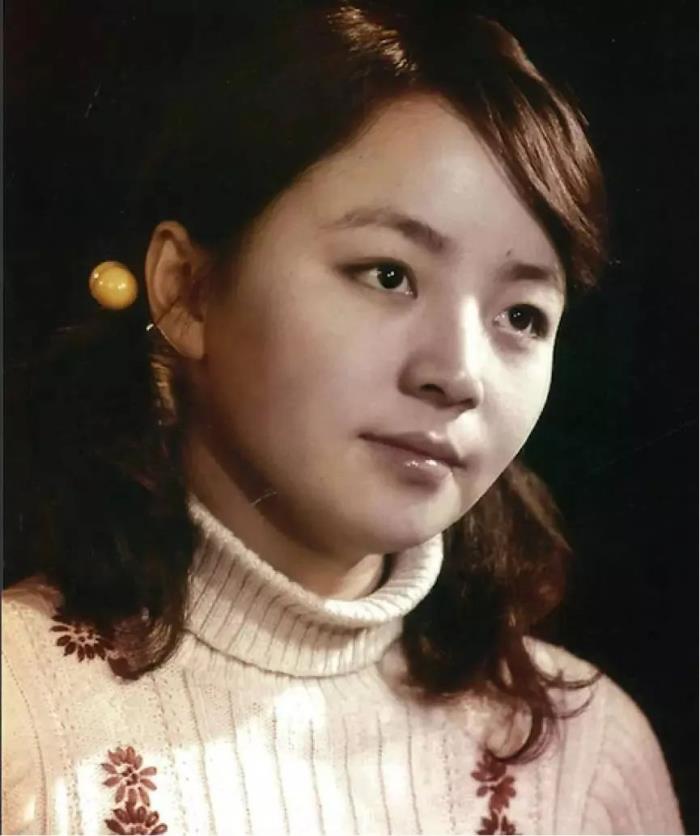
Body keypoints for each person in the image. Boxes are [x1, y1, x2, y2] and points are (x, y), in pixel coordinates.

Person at [1, 3, 683, 834]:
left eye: (522, 316)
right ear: (186, 290)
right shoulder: (19, 716)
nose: (457, 374)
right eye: (388, 275)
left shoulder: (586, 763)